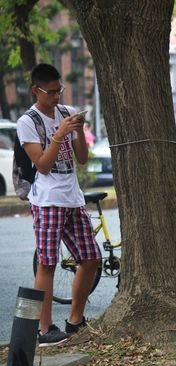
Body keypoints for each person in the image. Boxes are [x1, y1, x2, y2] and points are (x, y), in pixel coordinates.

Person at [16, 63, 101, 345]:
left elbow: (82, 158)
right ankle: (44, 329)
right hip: (47, 200)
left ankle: (75, 321)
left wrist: (78, 130)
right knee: (48, 263)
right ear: (36, 90)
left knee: (90, 258)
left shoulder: (65, 113)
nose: (56, 97)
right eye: (51, 92)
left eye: (59, 90)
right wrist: (58, 134)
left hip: (73, 197)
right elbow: (41, 165)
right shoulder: (27, 121)